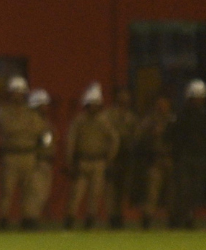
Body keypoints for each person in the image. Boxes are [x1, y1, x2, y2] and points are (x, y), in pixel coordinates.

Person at [65, 83, 119, 229]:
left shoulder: (104, 121)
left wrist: (109, 159)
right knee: (76, 194)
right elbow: (71, 141)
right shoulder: (79, 121)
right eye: (91, 104)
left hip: (99, 161)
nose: (93, 107)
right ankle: (70, 220)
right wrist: (70, 161)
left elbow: (114, 140)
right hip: (82, 161)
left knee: (95, 195)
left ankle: (90, 221)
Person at [0, 76, 44, 230]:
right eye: (15, 92)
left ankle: (28, 220)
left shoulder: (31, 113)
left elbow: (39, 130)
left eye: (20, 92)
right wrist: (24, 131)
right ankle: (3, 220)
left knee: (29, 191)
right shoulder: (3, 111)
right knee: (7, 191)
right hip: (11, 155)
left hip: (29, 155)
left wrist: (22, 132)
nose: (18, 95)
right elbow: (7, 128)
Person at [171, 79, 206, 229]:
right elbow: (173, 137)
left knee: (196, 191)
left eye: (201, 97)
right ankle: (179, 219)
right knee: (183, 190)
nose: (199, 100)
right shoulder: (181, 116)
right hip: (184, 158)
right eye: (196, 97)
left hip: (200, 158)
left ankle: (190, 218)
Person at [136, 95, 176, 230]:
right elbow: (138, 137)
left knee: (172, 192)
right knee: (152, 192)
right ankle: (147, 220)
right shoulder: (149, 120)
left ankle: (173, 220)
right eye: (159, 104)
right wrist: (150, 134)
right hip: (155, 160)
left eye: (164, 104)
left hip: (170, 159)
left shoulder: (173, 120)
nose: (162, 107)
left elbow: (180, 138)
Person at [103, 87, 139, 230]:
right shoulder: (108, 115)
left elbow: (136, 136)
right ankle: (112, 217)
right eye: (121, 97)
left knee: (123, 189)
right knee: (111, 189)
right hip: (112, 156)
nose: (124, 100)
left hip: (126, 157)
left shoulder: (132, 117)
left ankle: (120, 216)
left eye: (126, 97)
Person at [29, 89, 57, 227]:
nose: (46, 107)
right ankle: (31, 220)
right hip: (37, 160)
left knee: (43, 192)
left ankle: (35, 218)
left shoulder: (44, 121)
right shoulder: (33, 121)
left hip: (46, 160)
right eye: (43, 104)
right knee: (36, 192)